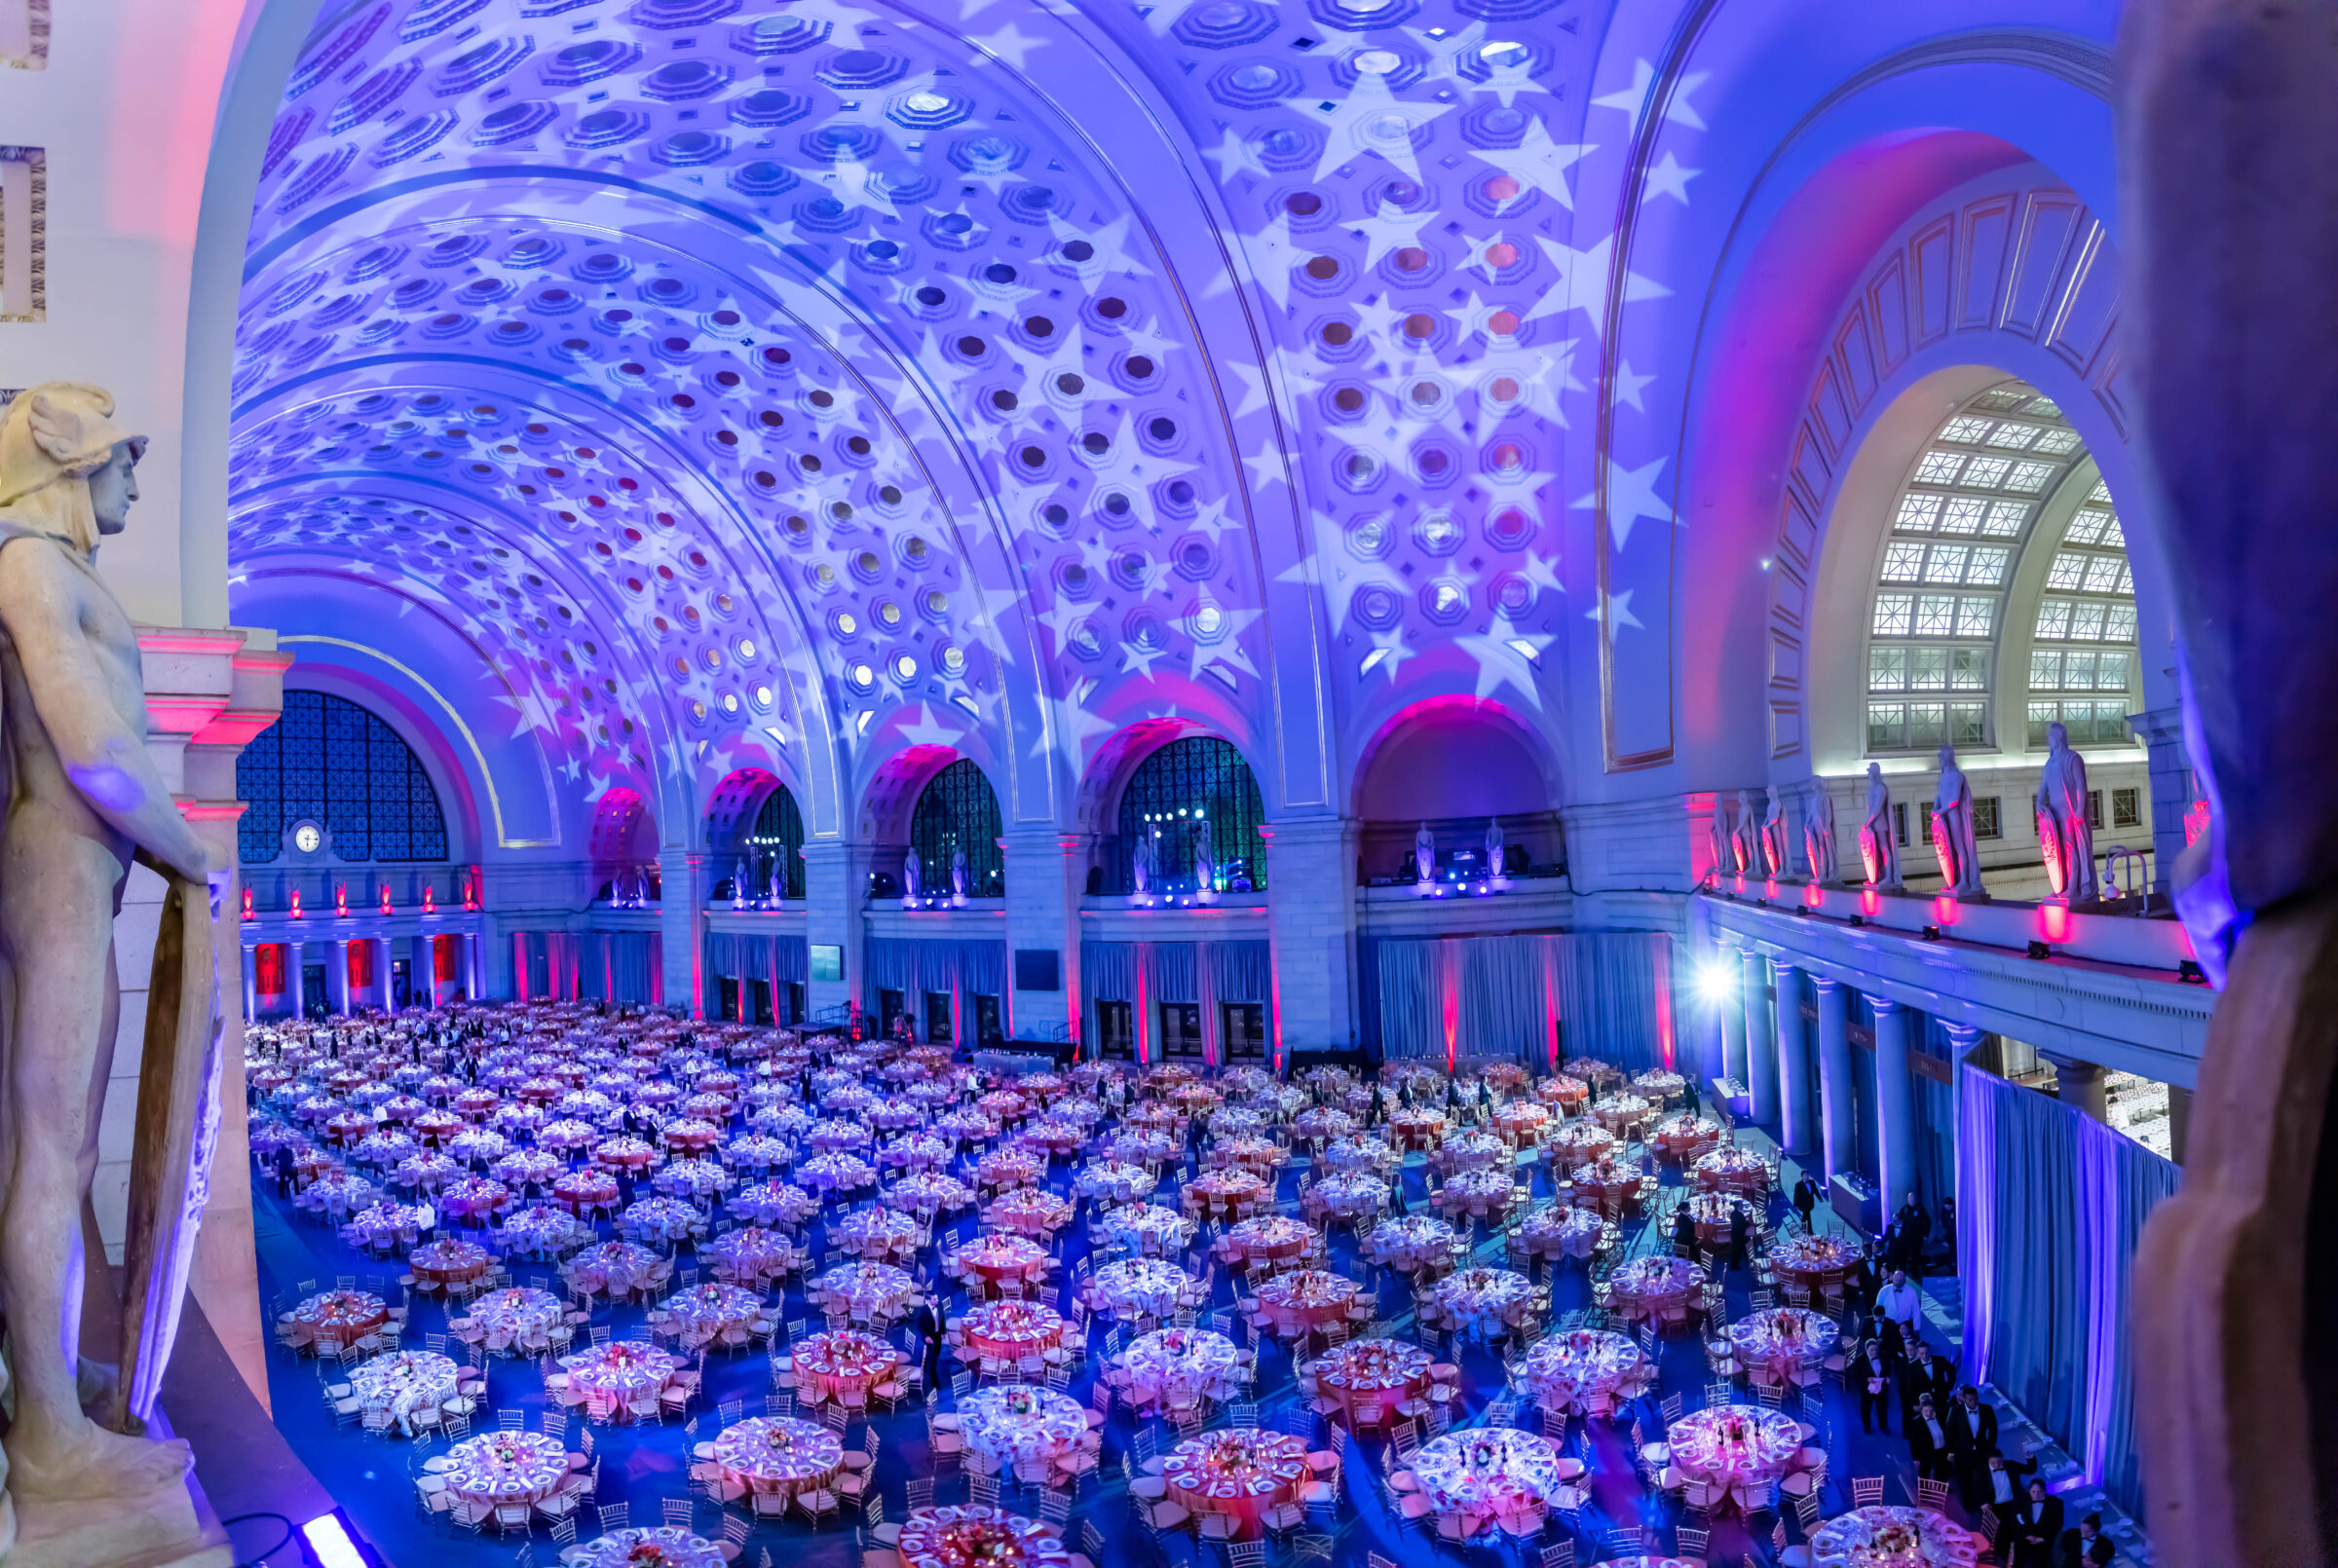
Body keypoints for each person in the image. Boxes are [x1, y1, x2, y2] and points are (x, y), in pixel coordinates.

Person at [2007, 1475, 2063, 1568]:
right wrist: (2026, 1535)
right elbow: (2015, 1519)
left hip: (2043, 1540)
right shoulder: (2021, 1500)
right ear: (2029, 1490)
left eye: (2040, 1492)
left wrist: (2041, 1539)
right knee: (2018, 1562)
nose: (2036, 1495)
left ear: (2045, 1491)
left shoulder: (2056, 1503)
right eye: (2033, 1491)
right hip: (2024, 1537)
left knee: (2040, 1564)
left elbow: (2058, 1524)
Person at [1872, 1268, 1922, 1372]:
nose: (1897, 1283)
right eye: (1895, 1280)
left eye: (1900, 1281)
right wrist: (1878, 1325)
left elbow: (1916, 1311)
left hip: (1904, 1326)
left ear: (1904, 1280)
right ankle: (1885, 1372)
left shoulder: (1911, 1292)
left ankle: (1902, 1370)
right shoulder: (1884, 1290)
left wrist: (1917, 1328)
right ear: (1892, 1278)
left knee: (1902, 1351)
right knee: (1888, 1349)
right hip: (1888, 1326)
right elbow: (1877, 1309)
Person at [1907, 1396, 1955, 1481]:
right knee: (1924, 1472)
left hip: (1941, 1450)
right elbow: (1913, 1441)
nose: (1929, 1414)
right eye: (1926, 1411)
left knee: (1941, 1471)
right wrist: (1915, 1457)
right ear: (1921, 1410)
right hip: (1926, 1452)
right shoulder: (1916, 1422)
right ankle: (1923, 1491)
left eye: (1931, 1411)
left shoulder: (1940, 1417)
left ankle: (1942, 1488)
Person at [1853, 1337, 1892, 1435]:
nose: (1874, 1352)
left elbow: (1888, 1368)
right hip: (1867, 1389)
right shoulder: (1859, 1360)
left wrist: (1887, 1376)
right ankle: (1867, 1426)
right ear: (1866, 1349)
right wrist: (1866, 1380)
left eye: (1876, 1349)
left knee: (1882, 1408)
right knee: (1866, 1408)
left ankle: (1883, 1426)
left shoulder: (1883, 1356)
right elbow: (1855, 1376)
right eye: (1872, 1350)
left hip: (1881, 1386)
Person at [913, 1298, 943, 1391]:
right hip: (929, 1338)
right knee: (933, 1360)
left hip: (938, 1337)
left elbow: (943, 1319)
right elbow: (919, 1325)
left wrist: (944, 1332)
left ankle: (923, 1360)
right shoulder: (922, 1310)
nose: (936, 1300)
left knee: (936, 1354)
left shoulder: (939, 1306)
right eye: (934, 1299)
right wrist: (925, 1336)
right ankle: (935, 1382)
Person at [1727, 1200, 1751, 1270]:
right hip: (1739, 1235)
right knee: (1737, 1250)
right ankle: (1734, 1266)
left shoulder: (1732, 1213)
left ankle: (1747, 1258)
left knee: (1740, 1247)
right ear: (1738, 1206)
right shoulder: (1740, 1215)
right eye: (1741, 1205)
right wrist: (1747, 1221)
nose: (1742, 1206)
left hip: (1734, 1233)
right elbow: (1745, 1225)